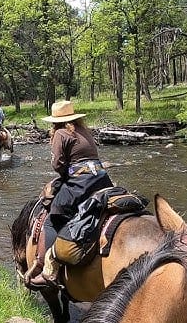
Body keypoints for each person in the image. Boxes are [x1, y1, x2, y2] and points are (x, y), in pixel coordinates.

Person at [27, 100, 113, 287]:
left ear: (55, 121)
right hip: (102, 178)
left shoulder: (60, 133)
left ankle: (48, 271)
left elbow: (58, 164)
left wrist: (64, 174)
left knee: (54, 215)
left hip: (81, 182)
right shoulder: (84, 131)